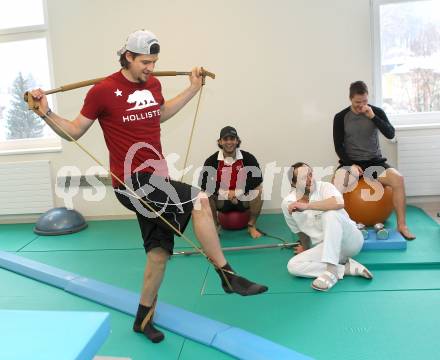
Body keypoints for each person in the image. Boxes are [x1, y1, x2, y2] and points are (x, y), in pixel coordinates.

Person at [29, 29, 267, 344]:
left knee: (158, 253)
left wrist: (193, 89)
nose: (150, 69)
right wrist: (44, 111)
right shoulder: (103, 91)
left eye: (154, 62)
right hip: (131, 183)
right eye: (145, 62)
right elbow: (73, 130)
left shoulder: (153, 85)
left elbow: (161, 113)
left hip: (157, 179)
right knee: (199, 200)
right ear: (127, 56)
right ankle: (227, 275)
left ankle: (143, 320)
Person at [333, 81, 415, 240]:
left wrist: (373, 117)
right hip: (351, 163)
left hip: (375, 162)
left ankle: (402, 226)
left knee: (398, 179)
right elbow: (338, 146)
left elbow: (390, 134)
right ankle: (339, 228)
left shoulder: (376, 112)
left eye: (364, 101)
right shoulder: (340, 117)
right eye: (357, 102)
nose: (361, 106)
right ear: (350, 99)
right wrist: (351, 164)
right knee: (337, 185)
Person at [282, 162, 373, 291]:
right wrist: (306, 248)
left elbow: (339, 202)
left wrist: (307, 206)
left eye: (310, 174)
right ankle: (347, 269)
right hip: (327, 249)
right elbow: (299, 231)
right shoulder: (288, 203)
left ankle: (331, 271)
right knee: (293, 265)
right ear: (293, 183)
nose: (309, 180)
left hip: (350, 241)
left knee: (330, 214)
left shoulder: (325, 187)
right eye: (303, 178)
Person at [199, 126, 264, 238]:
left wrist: (237, 192)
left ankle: (251, 225)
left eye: (232, 139)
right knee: (204, 194)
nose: (229, 142)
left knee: (258, 190)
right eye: (225, 139)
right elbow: (203, 181)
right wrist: (226, 193)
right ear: (220, 141)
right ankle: (215, 227)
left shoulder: (247, 157)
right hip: (222, 200)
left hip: (242, 198)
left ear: (237, 140)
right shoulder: (212, 160)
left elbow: (258, 177)